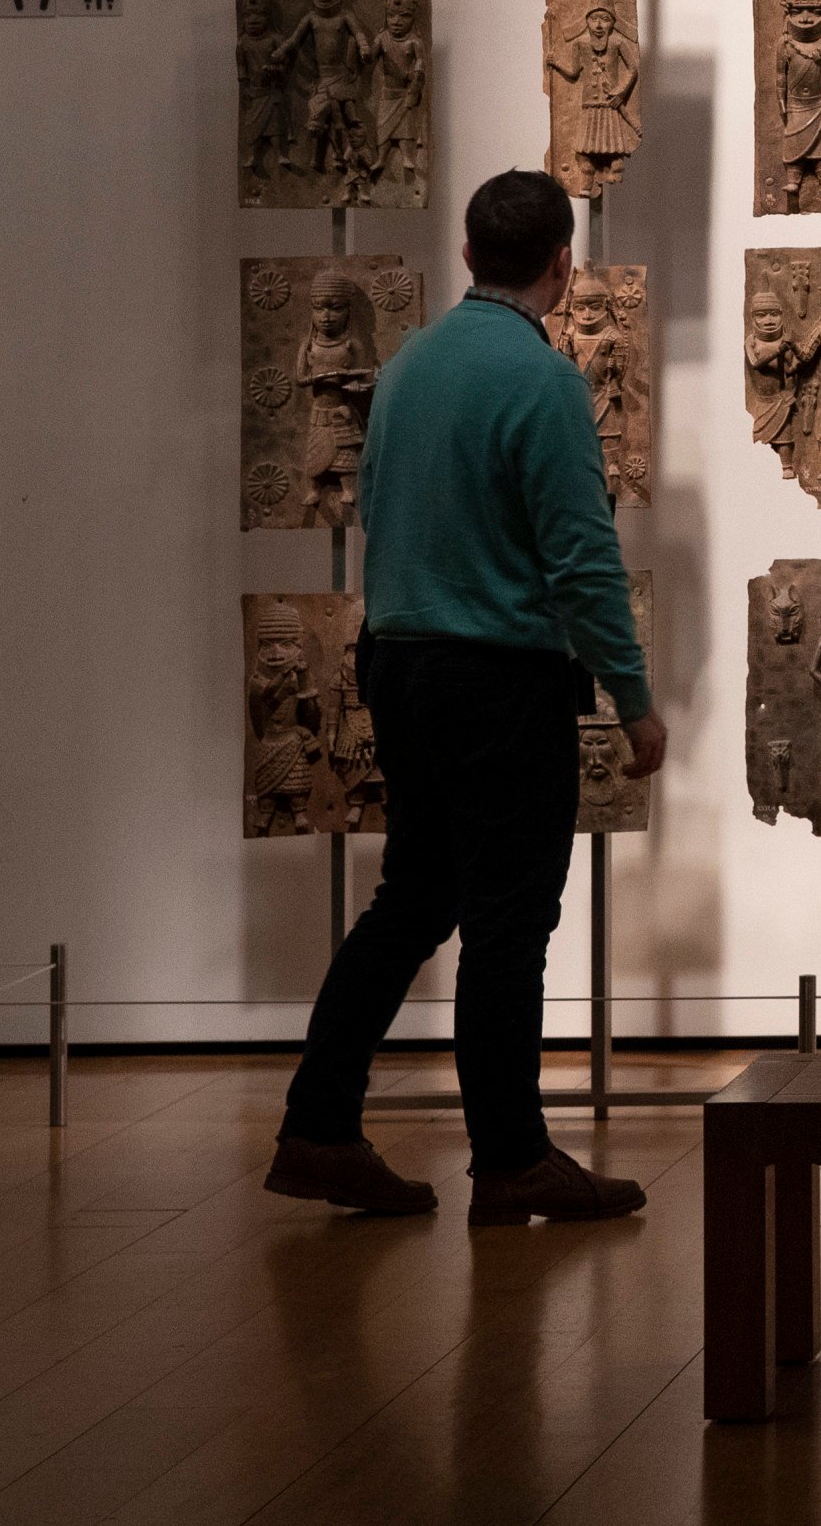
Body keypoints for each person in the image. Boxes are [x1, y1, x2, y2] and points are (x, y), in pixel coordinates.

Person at [270, 171, 660, 1224]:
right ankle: (511, 1156)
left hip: (401, 661)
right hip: (499, 678)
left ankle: (319, 1125)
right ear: (562, 265)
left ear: (468, 251)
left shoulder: (407, 368)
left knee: (414, 901)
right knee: (507, 922)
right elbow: (581, 559)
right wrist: (633, 698)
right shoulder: (543, 383)